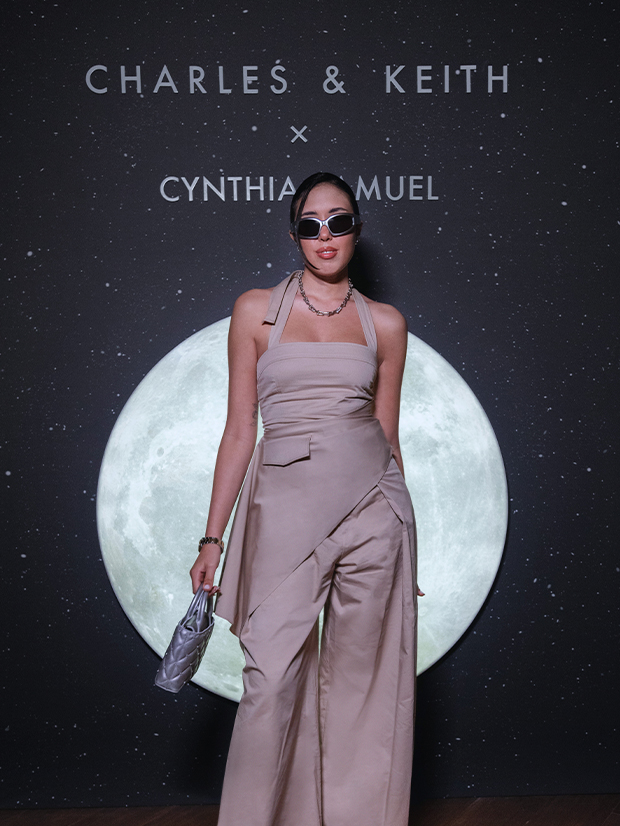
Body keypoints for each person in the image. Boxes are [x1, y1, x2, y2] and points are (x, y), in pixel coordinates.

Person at [190, 172, 422, 826]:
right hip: (284, 516)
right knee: (269, 682)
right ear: (294, 234)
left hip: (375, 512)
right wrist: (212, 539)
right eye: (311, 224)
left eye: (338, 222)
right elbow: (240, 429)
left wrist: (412, 547)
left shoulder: (386, 323)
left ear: (357, 230)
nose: (325, 236)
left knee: (362, 688)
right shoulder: (255, 311)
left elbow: (389, 436)